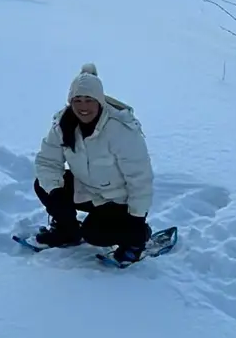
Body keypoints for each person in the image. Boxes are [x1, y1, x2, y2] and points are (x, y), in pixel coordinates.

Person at [32, 63, 153, 257]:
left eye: (89, 100)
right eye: (77, 100)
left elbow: (140, 177)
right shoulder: (63, 125)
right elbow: (47, 162)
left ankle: (138, 237)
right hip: (87, 189)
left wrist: (137, 217)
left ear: (100, 101)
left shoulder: (121, 128)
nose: (83, 107)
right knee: (43, 184)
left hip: (118, 199)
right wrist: (55, 192)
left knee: (95, 235)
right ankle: (67, 231)